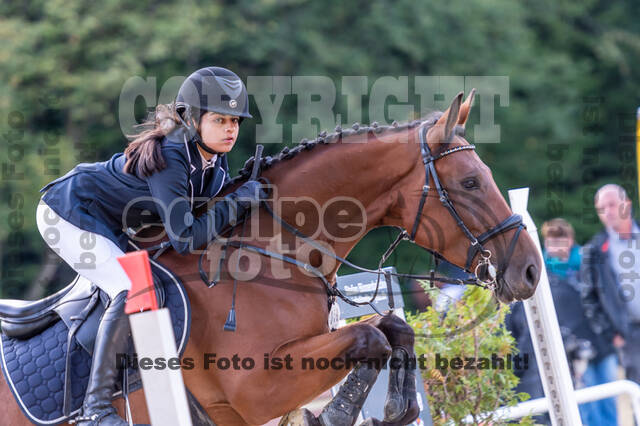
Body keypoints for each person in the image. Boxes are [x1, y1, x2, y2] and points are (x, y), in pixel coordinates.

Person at [36, 66, 267, 425]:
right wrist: (238, 202)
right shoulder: (174, 156)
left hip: (109, 225)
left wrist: (238, 188)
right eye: (220, 119)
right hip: (67, 211)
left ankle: (164, 403)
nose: (230, 129)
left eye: (235, 121)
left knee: (158, 288)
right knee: (131, 288)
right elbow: (187, 237)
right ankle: (96, 411)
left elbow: (206, 219)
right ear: (192, 120)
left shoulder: (214, 164)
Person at [542, 218, 617, 425]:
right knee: (587, 403)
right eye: (552, 241)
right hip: (574, 349)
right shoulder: (541, 273)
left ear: (571, 240)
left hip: (602, 339)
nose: (557, 246)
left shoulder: (588, 263)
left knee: (609, 397)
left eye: (561, 240)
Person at [582, 184, 639, 385]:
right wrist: (612, 335)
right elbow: (589, 299)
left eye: (612, 205)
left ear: (627, 204)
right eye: (601, 208)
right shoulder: (594, 251)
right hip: (629, 336)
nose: (608, 212)